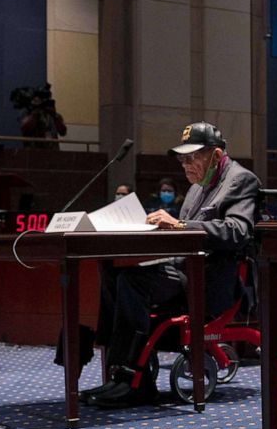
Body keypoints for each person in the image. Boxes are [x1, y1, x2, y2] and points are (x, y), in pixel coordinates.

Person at [83, 122, 260, 408]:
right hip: (182, 269)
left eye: (192, 158)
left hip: (210, 280)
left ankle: (133, 381)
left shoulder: (241, 180)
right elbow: (181, 234)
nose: (185, 165)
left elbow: (238, 232)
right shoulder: (195, 188)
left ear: (215, 156)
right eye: (182, 159)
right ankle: (119, 374)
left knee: (133, 280)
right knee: (113, 271)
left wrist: (178, 224)